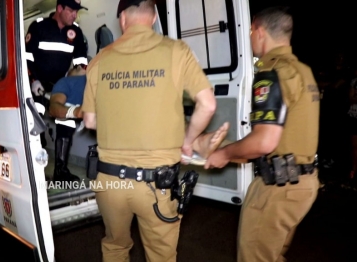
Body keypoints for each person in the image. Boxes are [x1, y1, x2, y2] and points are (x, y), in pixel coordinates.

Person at [81, 0, 223, 261]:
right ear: (155, 16)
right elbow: (208, 103)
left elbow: (89, 120)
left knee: (114, 246)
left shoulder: (100, 59)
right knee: (161, 256)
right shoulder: (176, 51)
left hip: (109, 182)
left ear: (122, 19)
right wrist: (188, 142)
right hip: (157, 185)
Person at [203, 7, 320, 262]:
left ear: (259, 31)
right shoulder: (303, 71)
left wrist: (223, 154)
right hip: (303, 184)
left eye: (250, 31)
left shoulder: (271, 73)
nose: (249, 37)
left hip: (277, 189)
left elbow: (264, 142)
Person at [25, 0, 89, 148]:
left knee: (67, 117)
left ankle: (60, 168)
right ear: (60, 8)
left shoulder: (76, 33)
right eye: (71, 10)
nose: (75, 15)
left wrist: (70, 86)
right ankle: (38, 146)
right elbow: (27, 58)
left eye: (77, 11)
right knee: (37, 110)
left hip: (60, 84)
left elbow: (81, 65)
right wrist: (33, 80)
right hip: (37, 83)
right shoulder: (39, 26)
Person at [49, 65, 87, 181]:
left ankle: (60, 172)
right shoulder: (66, 82)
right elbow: (54, 108)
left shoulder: (66, 81)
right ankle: (60, 172)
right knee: (65, 124)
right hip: (74, 114)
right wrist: (75, 112)